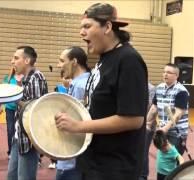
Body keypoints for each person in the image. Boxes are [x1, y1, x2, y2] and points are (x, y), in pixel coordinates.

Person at [55, 3, 148, 180]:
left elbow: (133, 119)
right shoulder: (103, 60)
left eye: (87, 26)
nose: (81, 33)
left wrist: (78, 126)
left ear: (107, 27)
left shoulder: (128, 60)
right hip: (93, 162)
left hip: (114, 169)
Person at [7, 46, 48, 180]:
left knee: (25, 177)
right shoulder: (26, 78)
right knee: (12, 176)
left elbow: (33, 108)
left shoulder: (36, 76)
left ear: (27, 60)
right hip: (18, 136)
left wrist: (12, 96)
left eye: (16, 58)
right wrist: (18, 86)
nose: (12, 61)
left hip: (28, 139)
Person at [55, 46, 90, 180]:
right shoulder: (82, 82)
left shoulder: (79, 86)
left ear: (74, 62)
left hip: (71, 159)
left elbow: (75, 123)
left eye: (62, 61)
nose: (59, 65)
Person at [147, 63, 189, 156]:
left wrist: (165, 128)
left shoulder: (181, 91)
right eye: (164, 72)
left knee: (173, 162)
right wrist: (147, 123)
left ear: (176, 76)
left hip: (177, 133)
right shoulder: (159, 88)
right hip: (162, 130)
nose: (165, 74)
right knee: (163, 161)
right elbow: (154, 109)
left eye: (169, 72)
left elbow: (178, 114)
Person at [2, 67, 23, 158]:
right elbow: (3, 92)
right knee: (10, 130)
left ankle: (20, 149)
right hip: (10, 107)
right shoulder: (8, 78)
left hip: (21, 107)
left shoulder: (24, 77)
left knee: (20, 129)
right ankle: (11, 151)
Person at [140, 82, 156, 180]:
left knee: (143, 151)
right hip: (135, 124)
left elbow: (151, 107)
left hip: (147, 125)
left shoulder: (151, 88)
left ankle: (143, 176)